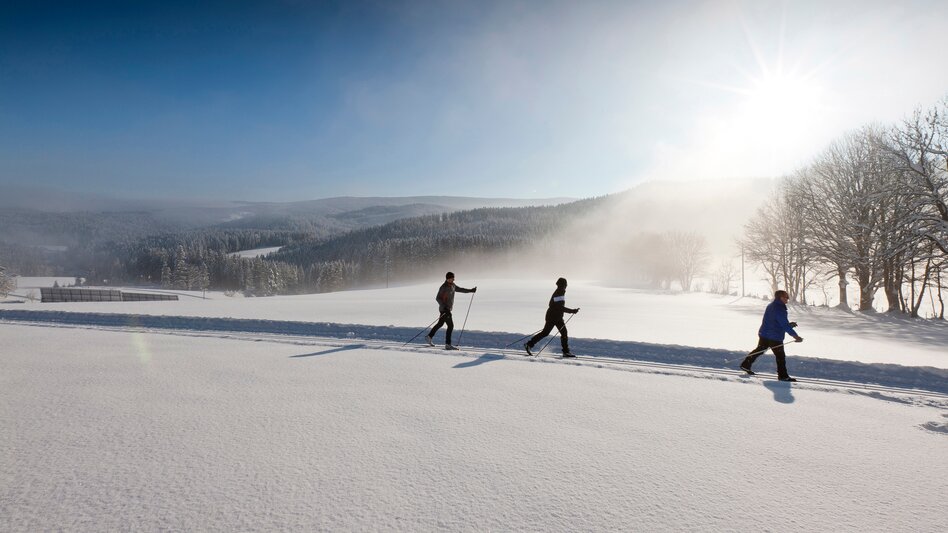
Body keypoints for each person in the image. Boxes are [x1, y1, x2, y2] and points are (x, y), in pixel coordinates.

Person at [740, 290, 803, 382]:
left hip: (765, 334)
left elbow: (775, 321)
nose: (788, 299)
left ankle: (745, 364)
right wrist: (796, 336)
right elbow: (783, 324)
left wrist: (789, 325)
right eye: (786, 297)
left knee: (759, 350)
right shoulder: (780, 309)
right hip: (774, 337)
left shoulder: (771, 305)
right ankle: (783, 376)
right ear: (781, 297)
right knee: (780, 356)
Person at [524, 277, 579, 357]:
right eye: (565, 284)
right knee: (546, 333)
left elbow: (558, 307)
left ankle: (566, 352)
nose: (566, 286)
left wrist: (571, 311)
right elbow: (559, 307)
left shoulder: (561, 292)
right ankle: (529, 344)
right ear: (562, 285)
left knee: (562, 333)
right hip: (552, 317)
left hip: (557, 317)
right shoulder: (559, 292)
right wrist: (572, 311)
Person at [426, 272, 476, 350]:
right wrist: (444, 307)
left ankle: (429, 337)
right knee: (450, 326)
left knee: (440, 324)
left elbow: (460, 289)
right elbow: (438, 298)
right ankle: (448, 344)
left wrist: (470, 290)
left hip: (448, 309)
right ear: (448, 278)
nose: (453, 279)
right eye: (452, 278)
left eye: (453, 278)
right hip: (444, 310)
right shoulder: (443, 287)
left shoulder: (453, 285)